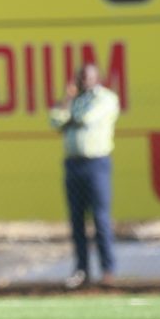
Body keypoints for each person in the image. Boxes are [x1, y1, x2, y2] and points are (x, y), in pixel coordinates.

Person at [49, 63, 121, 290]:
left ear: (96, 77)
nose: (81, 81)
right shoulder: (75, 99)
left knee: (100, 219)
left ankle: (108, 270)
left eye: (85, 77)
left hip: (96, 164)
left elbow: (86, 118)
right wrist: (67, 101)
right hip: (73, 164)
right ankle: (82, 270)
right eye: (79, 77)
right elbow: (54, 121)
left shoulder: (106, 98)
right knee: (77, 221)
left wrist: (67, 118)